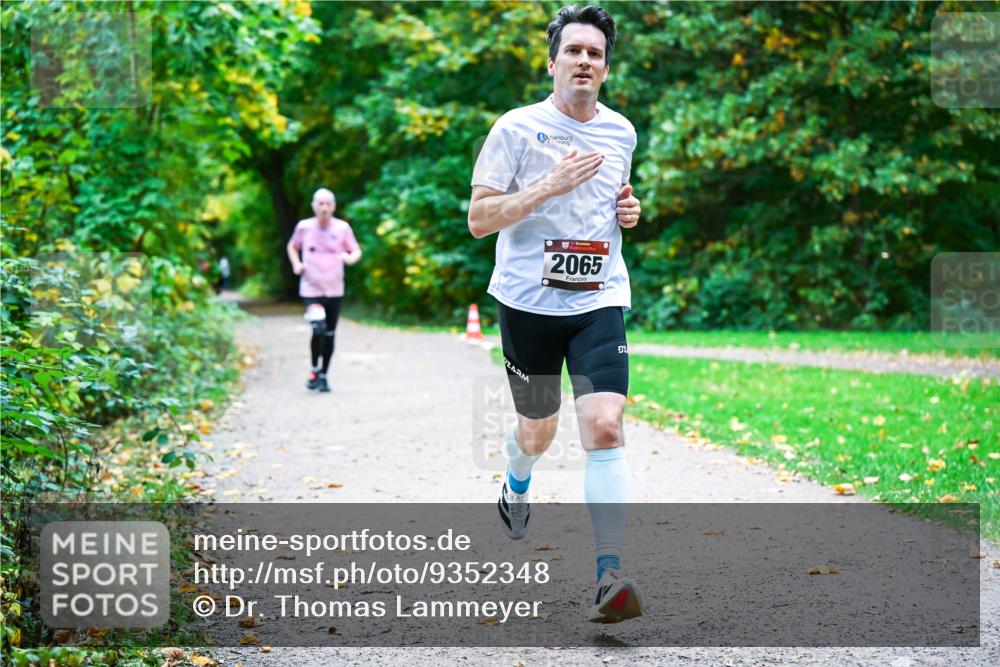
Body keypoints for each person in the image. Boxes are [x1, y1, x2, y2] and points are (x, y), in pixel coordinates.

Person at [468, 5, 644, 623]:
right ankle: (516, 481)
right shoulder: (515, 129)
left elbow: (611, 203)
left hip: (598, 299)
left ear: (606, 69)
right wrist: (548, 185)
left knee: (605, 427)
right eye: (574, 50)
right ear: (552, 62)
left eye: (595, 54)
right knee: (537, 432)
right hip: (528, 304)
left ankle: (609, 576)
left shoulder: (621, 133)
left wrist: (627, 212)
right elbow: (479, 219)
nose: (584, 61)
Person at [286, 188, 362, 393]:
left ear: (333, 207)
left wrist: (350, 258)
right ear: (314, 206)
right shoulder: (304, 227)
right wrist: (296, 264)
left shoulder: (342, 228)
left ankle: (324, 375)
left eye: (328, 204)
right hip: (311, 289)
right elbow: (292, 246)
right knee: (318, 328)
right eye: (320, 204)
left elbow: (355, 250)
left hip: (334, 290)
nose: (324, 208)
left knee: (329, 333)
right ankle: (313, 369)